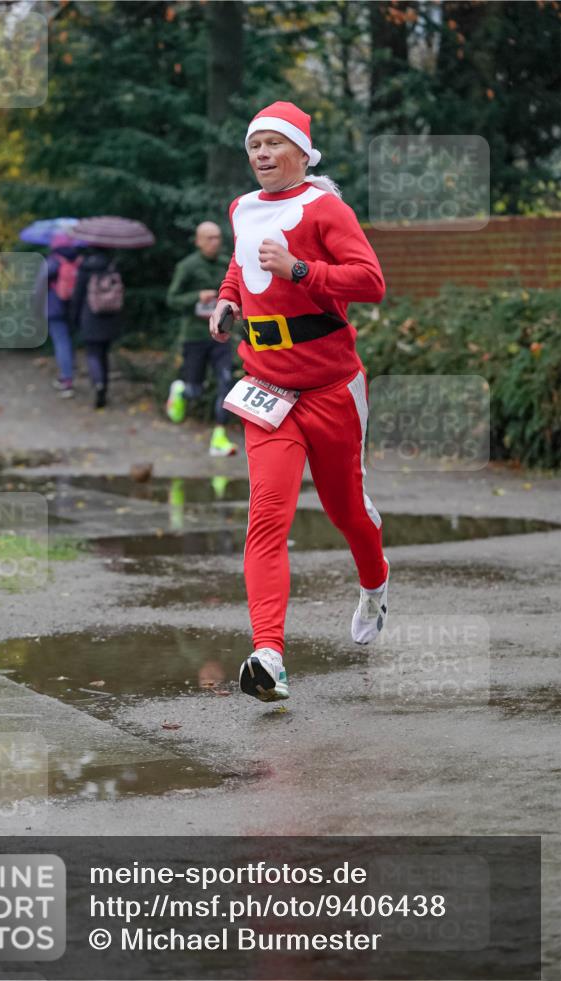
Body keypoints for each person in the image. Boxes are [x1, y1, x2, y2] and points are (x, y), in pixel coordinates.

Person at [209, 101, 389, 703]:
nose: (260, 155)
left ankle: (375, 583)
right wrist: (228, 299)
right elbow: (240, 261)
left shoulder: (324, 208)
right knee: (267, 514)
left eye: (272, 144)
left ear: (300, 152)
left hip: (331, 387)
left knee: (347, 515)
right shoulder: (242, 208)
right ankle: (269, 655)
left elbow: (370, 281)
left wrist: (302, 269)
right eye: (253, 145)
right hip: (267, 387)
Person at [165, 221, 237, 457]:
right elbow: (172, 299)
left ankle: (219, 436)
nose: (214, 242)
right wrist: (197, 296)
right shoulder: (187, 266)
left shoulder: (228, 263)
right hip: (194, 336)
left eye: (217, 237)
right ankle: (181, 390)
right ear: (198, 241)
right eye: (209, 238)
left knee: (226, 382)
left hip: (221, 335)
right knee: (195, 390)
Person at [70, 248, 124, 409]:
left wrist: (74, 318)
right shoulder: (112, 267)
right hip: (110, 317)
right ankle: (104, 388)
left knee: (92, 353)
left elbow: (77, 296)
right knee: (104, 354)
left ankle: (98, 383)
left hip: (90, 316)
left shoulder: (85, 269)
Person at [35, 232, 81, 398]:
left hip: (54, 307)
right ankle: (68, 373)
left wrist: (36, 307)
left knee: (61, 342)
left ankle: (67, 380)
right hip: (73, 307)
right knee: (68, 340)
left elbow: (39, 287)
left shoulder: (52, 262)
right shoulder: (76, 261)